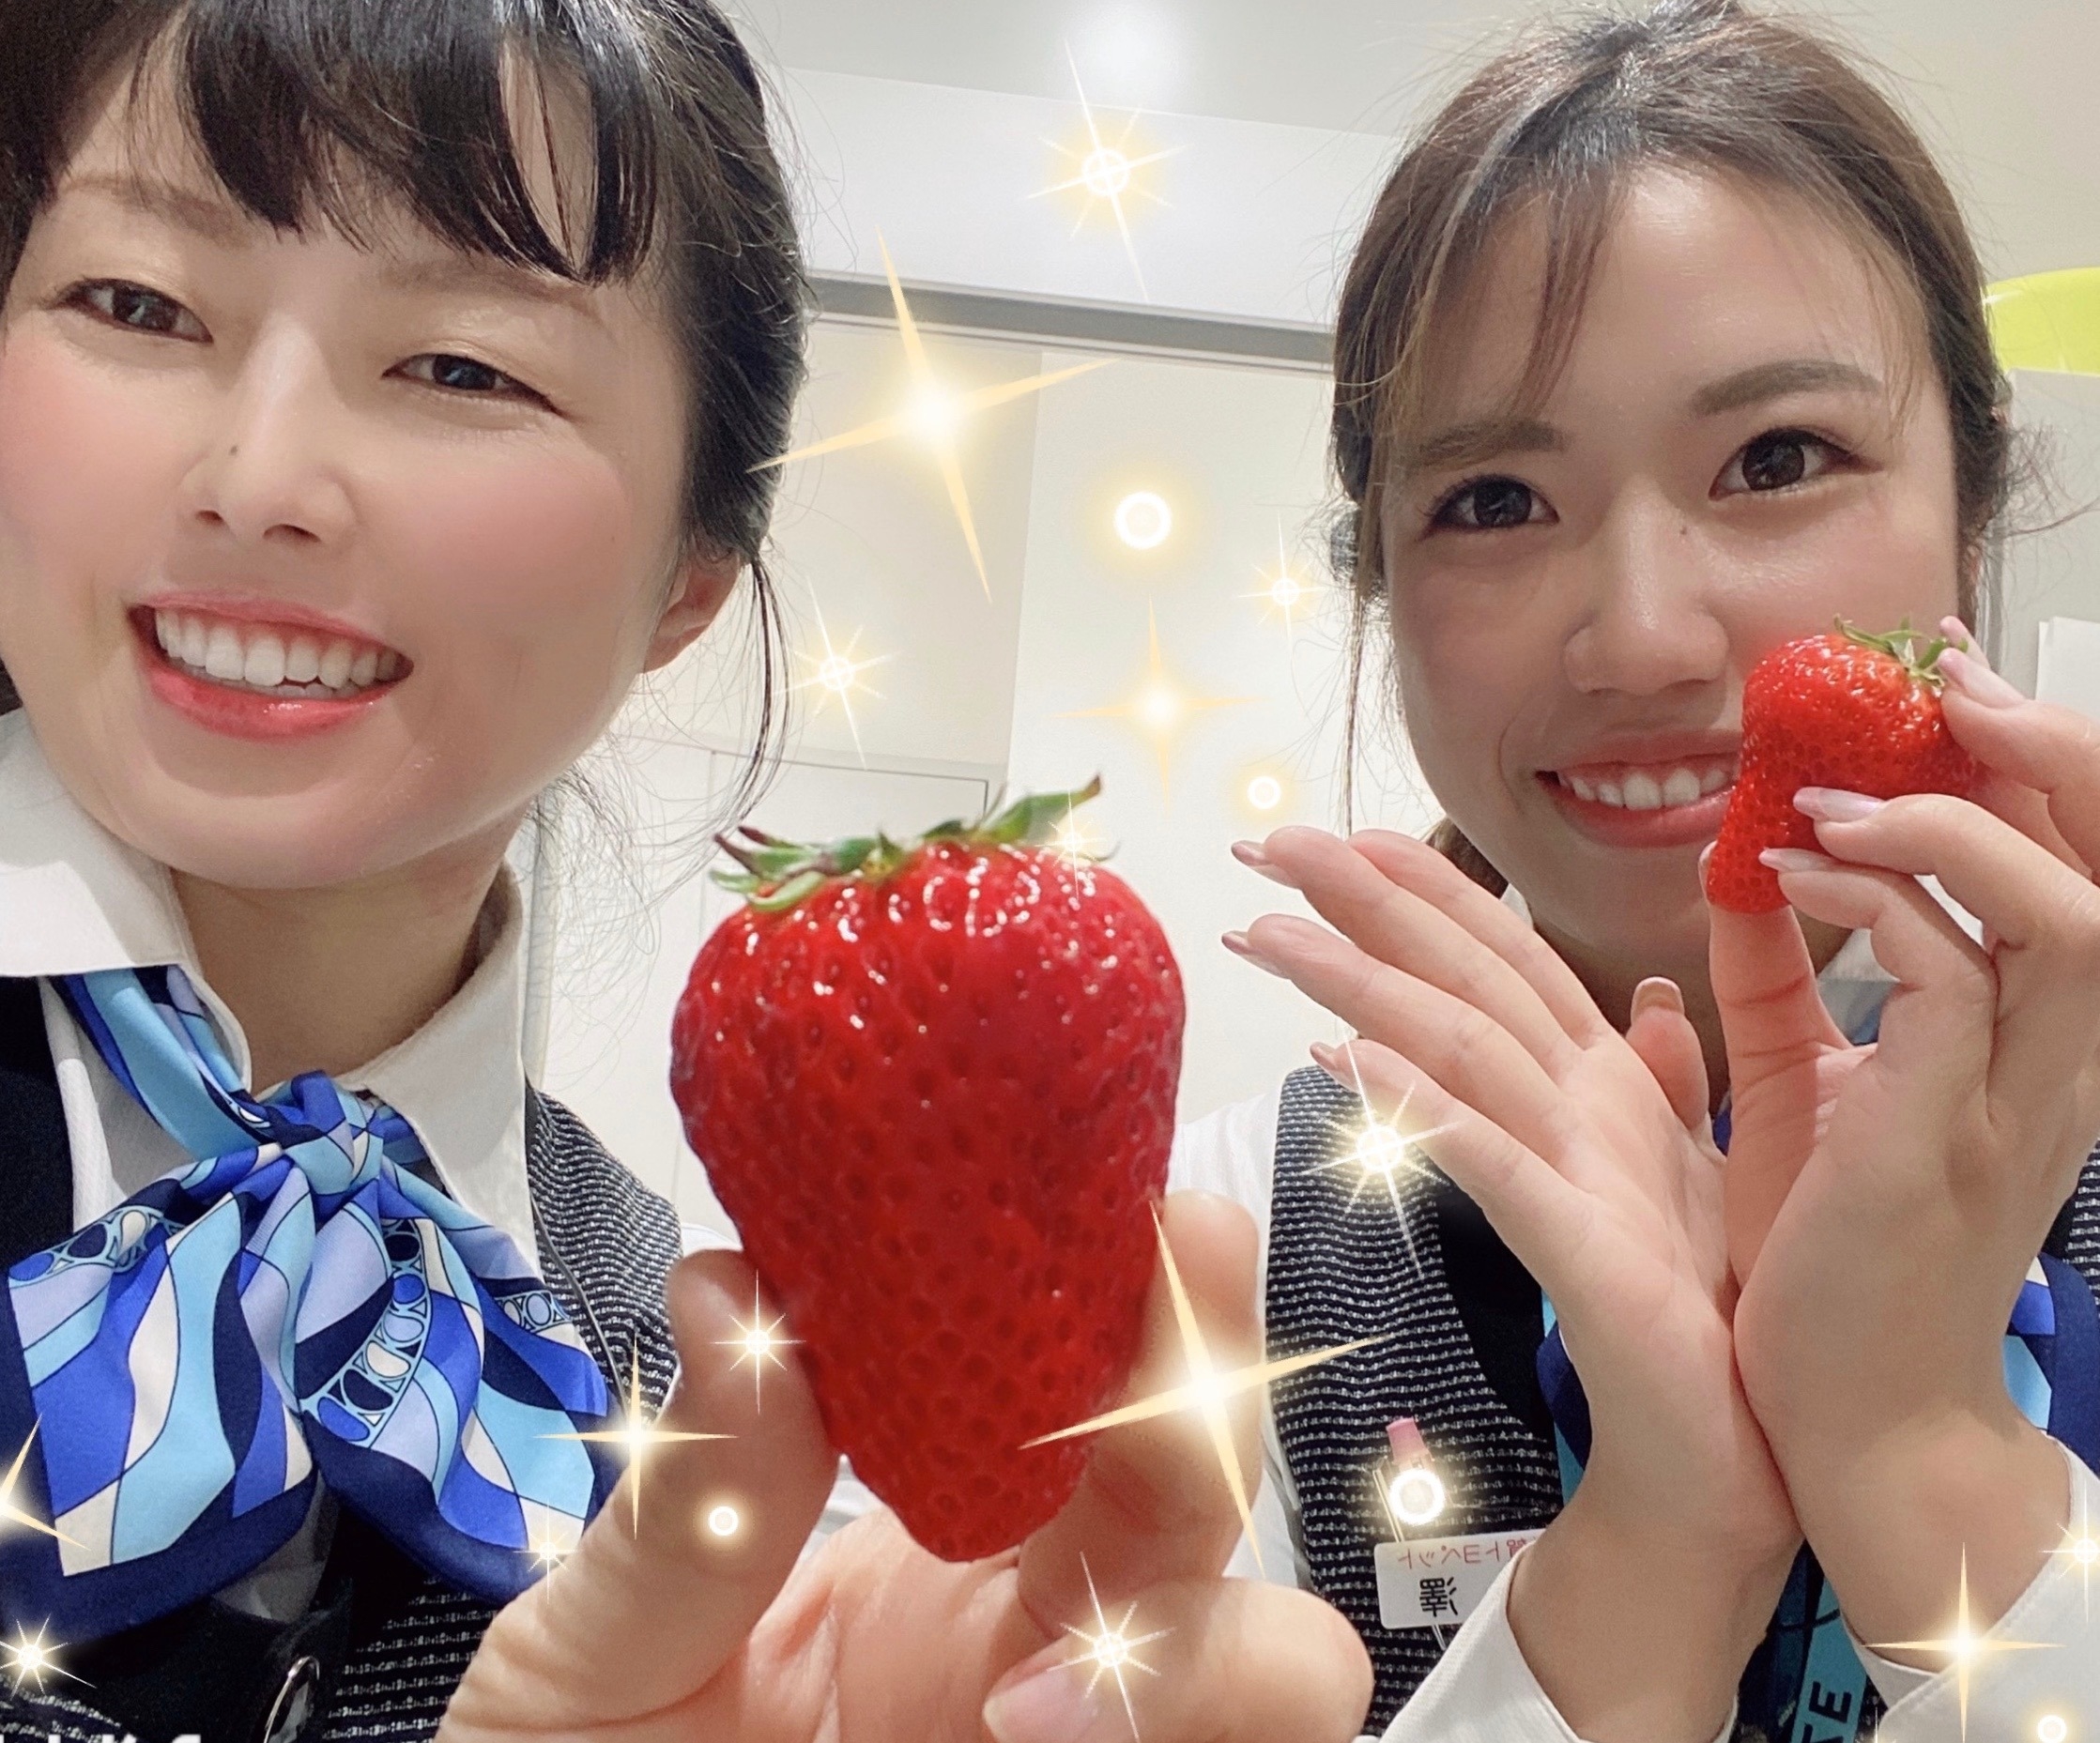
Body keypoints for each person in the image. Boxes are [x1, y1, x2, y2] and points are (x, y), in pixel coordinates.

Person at [0, 5, 1375, 1741]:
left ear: (688, 579)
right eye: (136, 304)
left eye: (462, 367)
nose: (257, 478)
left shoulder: (660, 1354)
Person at [1174, 2, 2100, 1738]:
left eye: (1776, 460)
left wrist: (1916, 1453)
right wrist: (1655, 1556)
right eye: (1493, 500)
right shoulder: (1219, 1252)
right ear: (1377, 588)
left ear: (1970, 514)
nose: (1643, 638)